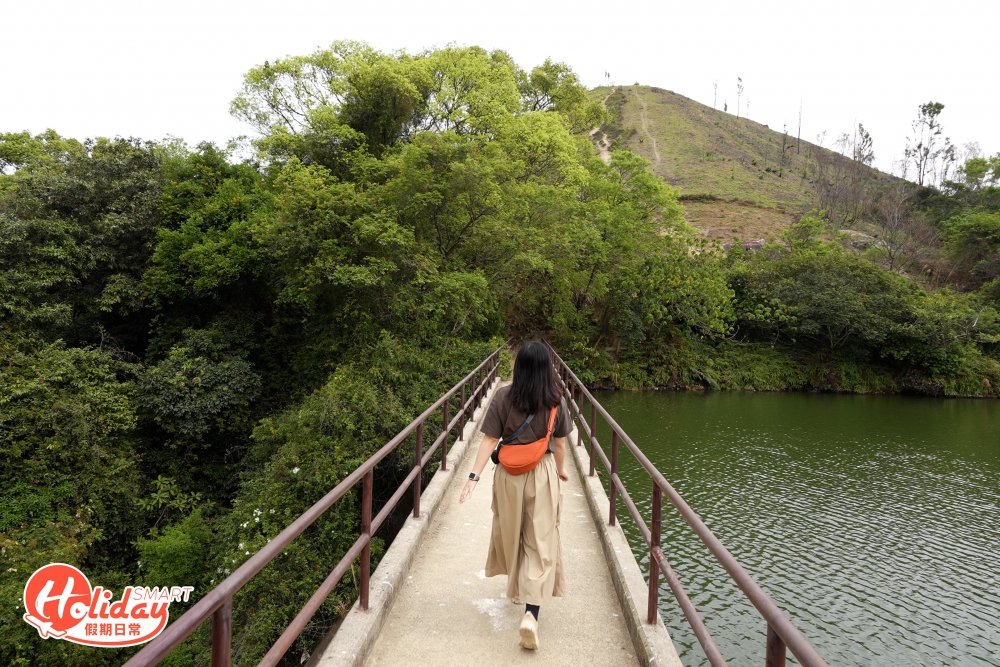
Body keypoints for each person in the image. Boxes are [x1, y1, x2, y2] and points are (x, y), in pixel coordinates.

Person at [459, 341, 572, 650]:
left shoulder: (503, 397)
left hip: (508, 475)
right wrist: (560, 470)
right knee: (540, 539)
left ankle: (516, 589)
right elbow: (560, 444)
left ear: (518, 366)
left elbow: (488, 440)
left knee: (511, 533)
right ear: (548, 368)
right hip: (542, 472)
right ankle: (531, 615)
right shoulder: (556, 400)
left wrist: (474, 477)